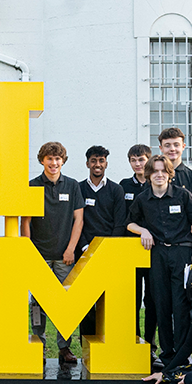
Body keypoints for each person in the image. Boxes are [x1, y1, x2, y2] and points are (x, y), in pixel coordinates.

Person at [127, 155, 192, 366]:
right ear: (149, 174)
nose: (159, 175)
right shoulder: (143, 198)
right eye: (155, 171)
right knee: (161, 304)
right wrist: (143, 230)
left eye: (163, 171)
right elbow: (129, 223)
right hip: (157, 254)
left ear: (170, 174)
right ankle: (167, 354)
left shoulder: (183, 195)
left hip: (182, 253)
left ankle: (182, 355)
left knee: (181, 306)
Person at [20, 141, 85, 363]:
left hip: (64, 256)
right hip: (40, 254)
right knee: (37, 304)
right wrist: (29, 252)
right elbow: (25, 221)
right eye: (49, 158)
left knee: (65, 303)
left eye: (58, 159)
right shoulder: (32, 186)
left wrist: (71, 249)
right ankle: (38, 344)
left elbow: (79, 220)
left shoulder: (73, 186)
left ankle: (64, 347)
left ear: (63, 161)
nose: (54, 163)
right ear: (42, 160)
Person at [77, 145, 126, 339]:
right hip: (84, 253)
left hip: (108, 254)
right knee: (85, 304)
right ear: (87, 163)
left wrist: (107, 249)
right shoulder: (78, 188)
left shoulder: (116, 190)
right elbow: (76, 221)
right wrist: (85, 247)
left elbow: (120, 223)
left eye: (101, 161)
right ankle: (86, 345)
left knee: (110, 302)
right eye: (94, 161)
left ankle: (110, 342)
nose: (97, 164)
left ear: (106, 163)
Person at [120, 144, 157, 365]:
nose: (137, 164)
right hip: (130, 251)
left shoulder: (157, 185)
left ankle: (150, 344)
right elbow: (123, 219)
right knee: (131, 299)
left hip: (152, 251)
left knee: (151, 299)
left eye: (141, 159)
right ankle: (133, 340)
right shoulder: (124, 185)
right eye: (133, 160)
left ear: (149, 160)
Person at [158, 127, 192, 213]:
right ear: (161, 148)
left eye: (176, 145)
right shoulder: (154, 176)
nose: (172, 149)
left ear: (183, 147)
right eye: (167, 145)